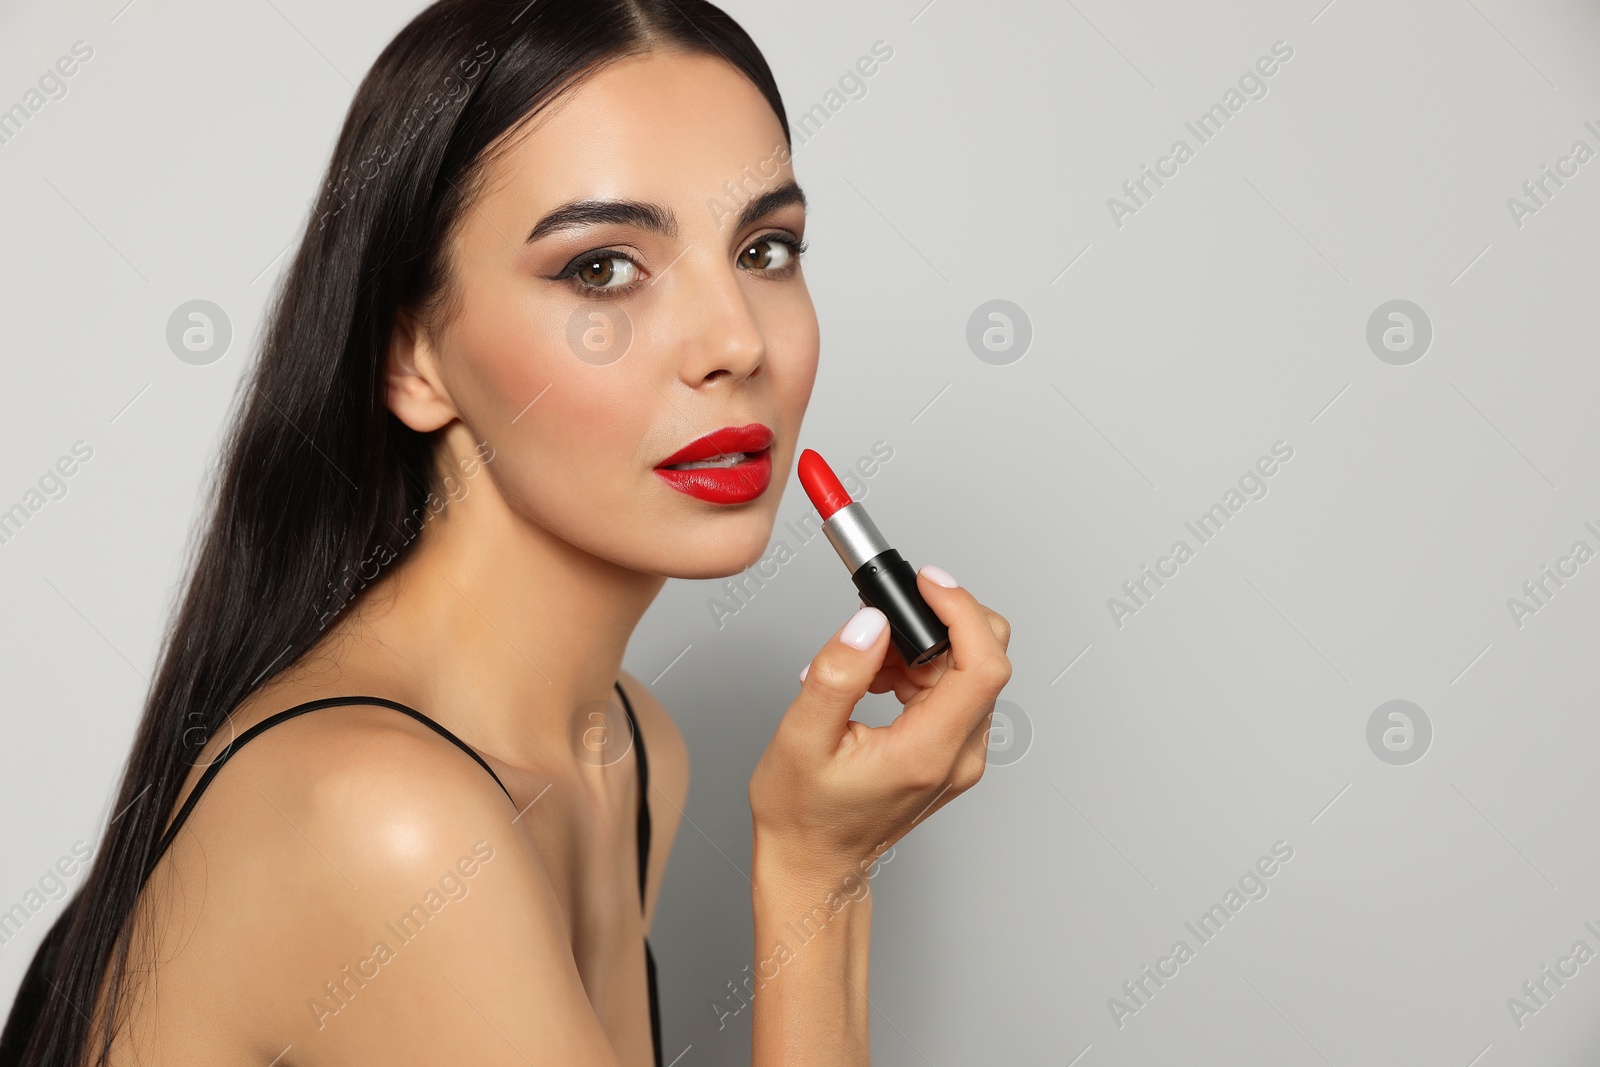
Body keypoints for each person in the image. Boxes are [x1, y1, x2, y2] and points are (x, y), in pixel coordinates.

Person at [0, 1, 1011, 1063]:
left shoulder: (628, 746)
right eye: (601, 270)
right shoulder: (387, 822)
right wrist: (817, 869)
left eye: (765, 248)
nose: (734, 341)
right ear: (412, 358)